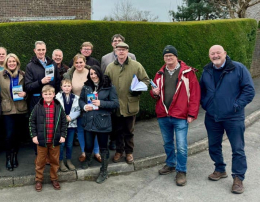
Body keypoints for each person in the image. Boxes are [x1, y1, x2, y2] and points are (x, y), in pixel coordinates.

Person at [200, 45, 255, 194]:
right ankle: (220, 169)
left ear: (225, 53)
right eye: (212, 53)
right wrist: (206, 104)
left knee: (237, 149)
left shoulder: (238, 68)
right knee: (213, 145)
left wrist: (236, 105)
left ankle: (238, 178)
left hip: (233, 117)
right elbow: (202, 91)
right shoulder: (207, 71)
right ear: (209, 55)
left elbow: (249, 90)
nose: (215, 55)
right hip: (212, 117)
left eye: (218, 52)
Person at [150, 45, 201, 186]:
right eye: (166, 56)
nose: (168, 58)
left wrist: (192, 113)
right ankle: (171, 164)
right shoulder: (159, 73)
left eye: (171, 55)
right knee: (167, 143)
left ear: (176, 57)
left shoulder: (188, 73)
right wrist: (153, 93)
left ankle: (181, 171)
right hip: (163, 114)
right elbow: (155, 93)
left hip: (181, 115)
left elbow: (195, 94)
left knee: (182, 145)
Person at [105, 42, 150, 164]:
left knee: (129, 131)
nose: (121, 52)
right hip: (116, 105)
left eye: (123, 50)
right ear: (115, 51)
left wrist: (138, 89)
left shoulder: (136, 65)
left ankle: (129, 152)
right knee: (117, 131)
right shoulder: (110, 67)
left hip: (130, 103)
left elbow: (146, 80)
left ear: (127, 51)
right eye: (119, 49)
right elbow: (105, 84)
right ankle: (119, 151)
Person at [79, 65, 119, 184]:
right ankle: (88, 159)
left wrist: (101, 103)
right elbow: (81, 100)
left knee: (103, 147)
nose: (93, 76)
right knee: (88, 145)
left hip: (103, 121)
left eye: (95, 73)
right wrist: (84, 106)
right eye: (91, 74)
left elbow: (115, 103)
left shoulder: (109, 86)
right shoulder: (86, 87)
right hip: (89, 120)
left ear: (100, 74)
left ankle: (104, 171)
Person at [25, 41, 61, 157]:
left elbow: (58, 82)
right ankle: (40, 156)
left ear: (46, 50)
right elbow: (28, 86)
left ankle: (50, 156)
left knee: (51, 127)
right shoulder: (30, 66)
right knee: (39, 128)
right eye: (39, 50)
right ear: (35, 51)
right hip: (37, 102)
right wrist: (41, 82)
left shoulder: (52, 64)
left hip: (52, 101)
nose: (41, 52)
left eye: (43, 50)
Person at [101, 34, 137, 151]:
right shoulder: (105, 58)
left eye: (119, 40)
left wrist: (135, 90)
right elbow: (104, 76)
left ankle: (128, 150)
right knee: (113, 121)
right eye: (115, 41)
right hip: (112, 96)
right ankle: (114, 141)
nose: (117, 42)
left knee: (127, 126)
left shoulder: (132, 57)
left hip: (127, 97)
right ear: (112, 44)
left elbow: (136, 75)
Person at [64, 54, 102, 164]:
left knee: (94, 129)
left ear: (85, 62)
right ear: (74, 64)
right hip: (76, 106)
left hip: (92, 105)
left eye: (81, 62)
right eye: (76, 62)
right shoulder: (69, 75)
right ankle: (84, 152)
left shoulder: (92, 72)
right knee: (80, 130)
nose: (79, 64)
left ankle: (96, 152)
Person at [29, 85, 67, 192]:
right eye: (45, 94)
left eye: (50, 94)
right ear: (42, 95)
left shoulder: (58, 107)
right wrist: (34, 136)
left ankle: (54, 178)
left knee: (55, 161)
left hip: (55, 141)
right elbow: (31, 121)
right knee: (40, 162)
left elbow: (64, 122)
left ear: (54, 94)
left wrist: (63, 135)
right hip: (41, 141)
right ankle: (38, 180)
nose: (48, 96)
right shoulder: (38, 106)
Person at [0, 53, 28, 171]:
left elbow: (28, 89)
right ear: (6, 63)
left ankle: (15, 156)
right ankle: (8, 157)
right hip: (7, 109)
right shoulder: (0, 75)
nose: (12, 63)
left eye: (14, 61)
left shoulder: (23, 74)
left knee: (18, 135)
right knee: (9, 135)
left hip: (20, 109)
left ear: (17, 62)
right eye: (10, 62)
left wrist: (25, 94)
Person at [55, 79, 80, 171]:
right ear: (61, 87)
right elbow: (55, 109)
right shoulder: (57, 97)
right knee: (61, 144)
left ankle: (68, 160)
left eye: (68, 86)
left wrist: (71, 117)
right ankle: (60, 161)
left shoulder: (76, 98)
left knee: (69, 144)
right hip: (61, 125)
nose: (67, 87)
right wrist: (63, 117)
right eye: (65, 86)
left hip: (71, 125)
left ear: (71, 87)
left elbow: (78, 110)